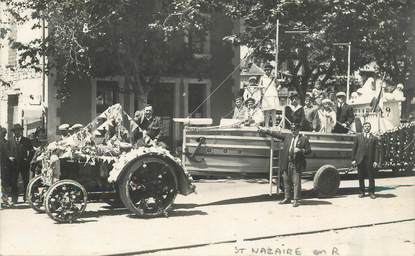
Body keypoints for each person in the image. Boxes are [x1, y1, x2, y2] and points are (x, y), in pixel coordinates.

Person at [258, 123, 311, 207]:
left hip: (296, 164)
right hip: (287, 163)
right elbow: (277, 135)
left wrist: (301, 150)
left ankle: (296, 200)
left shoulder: (304, 139)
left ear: (298, 130)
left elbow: (309, 151)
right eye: (292, 130)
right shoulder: (288, 137)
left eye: (295, 130)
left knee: (296, 183)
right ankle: (287, 198)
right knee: (286, 181)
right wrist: (266, 130)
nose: (293, 131)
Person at [351, 122, 379, 199]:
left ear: (370, 128)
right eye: (365, 126)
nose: (367, 128)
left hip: (370, 160)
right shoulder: (358, 137)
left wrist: (376, 161)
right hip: (360, 160)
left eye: (368, 126)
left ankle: (371, 192)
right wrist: (353, 159)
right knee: (361, 177)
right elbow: (354, 149)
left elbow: (376, 150)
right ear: (363, 127)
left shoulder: (374, 138)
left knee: (371, 177)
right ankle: (362, 192)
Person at [8, 124, 34, 203]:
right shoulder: (10, 141)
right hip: (14, 165)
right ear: (14, 132)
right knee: (13, 181)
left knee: (26, 181)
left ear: (21, 131)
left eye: (19, 130)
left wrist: (28, 160)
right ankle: (14, 198)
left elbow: (32, 151)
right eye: (16, 131)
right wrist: (9, 157)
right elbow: (7, 151)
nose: (18, 132)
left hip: (24, 164)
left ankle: (26, 198)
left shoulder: (26, 140)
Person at [0, 127, 12, 207]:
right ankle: (5, 199)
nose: (3, 134)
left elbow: (6, 152)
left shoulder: (3, 142)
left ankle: (5, 199)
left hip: (2, 165)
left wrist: (9, 157)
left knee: (2, 183)